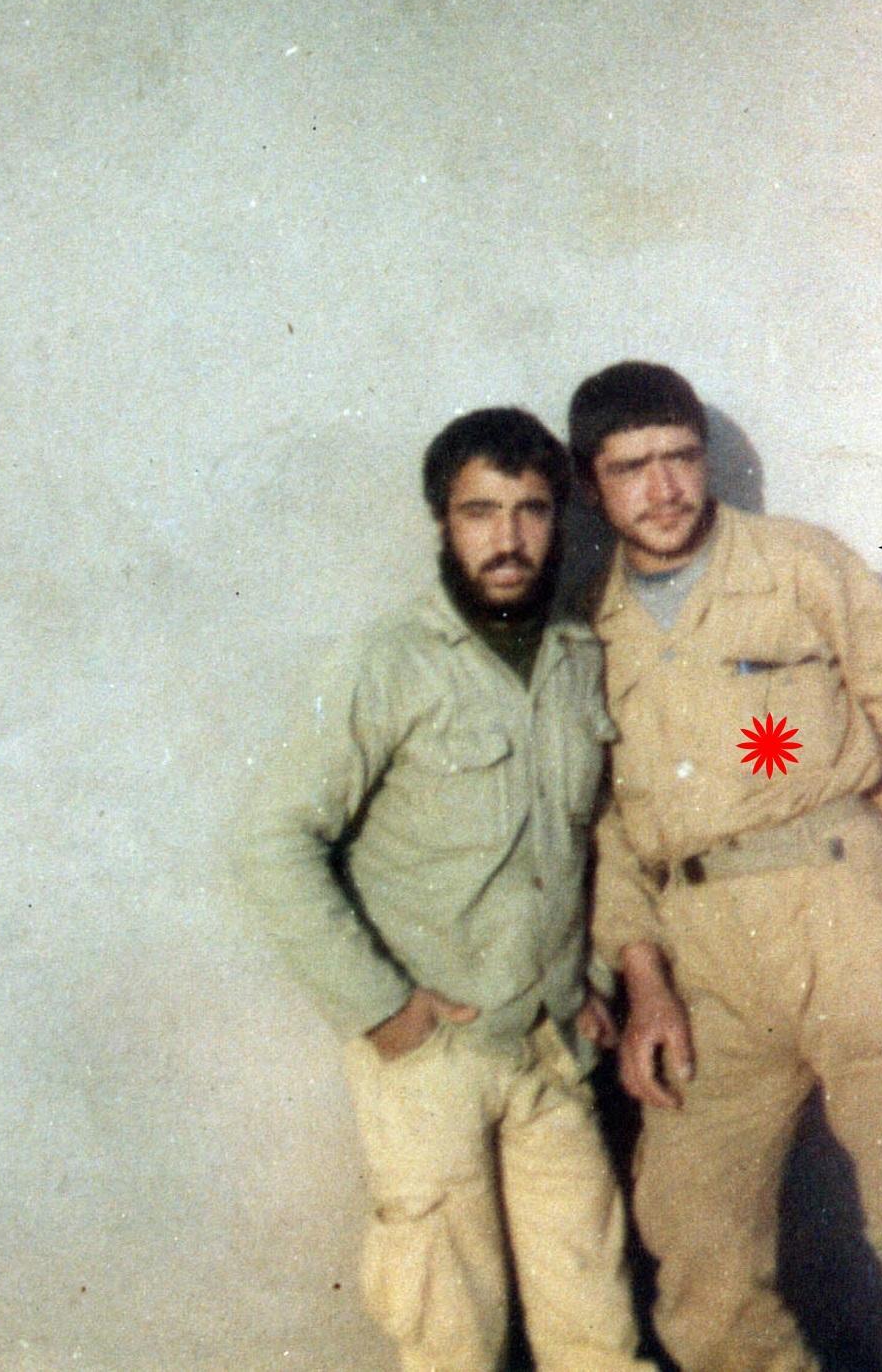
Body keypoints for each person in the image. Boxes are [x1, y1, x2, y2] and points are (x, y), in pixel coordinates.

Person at [236, 408, 656, 1372]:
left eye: (532, 510)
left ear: (559, 519)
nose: (508, 539)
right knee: (453, 1342)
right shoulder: (388, 663)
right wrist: (382, 1007)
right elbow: (270, 841)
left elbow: (591, 834)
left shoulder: (577, 654)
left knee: (599, 1336)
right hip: (433, 1057)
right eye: (480, 512)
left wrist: (590, 975)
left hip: (552, 1052)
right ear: (442, 523)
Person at [568, 360, 882, 1372]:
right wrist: (643, 979)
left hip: (847, 910)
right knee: (694, 1237)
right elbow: (609, 825)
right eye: (631, 467)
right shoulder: (590, 631)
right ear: (591, 485)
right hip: (703, 960)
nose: (665, 488)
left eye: (681, 457)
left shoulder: (797, 563)